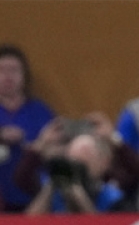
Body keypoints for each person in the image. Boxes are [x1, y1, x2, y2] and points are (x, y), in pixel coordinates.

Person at [0, 45, 56, 212]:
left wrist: (35, 146)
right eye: (2, 70)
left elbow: (57, 149)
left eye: (14, 70)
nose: (7, 77)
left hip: (33, 198)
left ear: (24, 76)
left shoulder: (40, 111)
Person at [25, 133, 125, 214]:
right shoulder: (54, 192)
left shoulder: (111, 197)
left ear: (101, 163)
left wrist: (79, 197)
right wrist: (50, 187)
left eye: (82, 165)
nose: (77, 171)